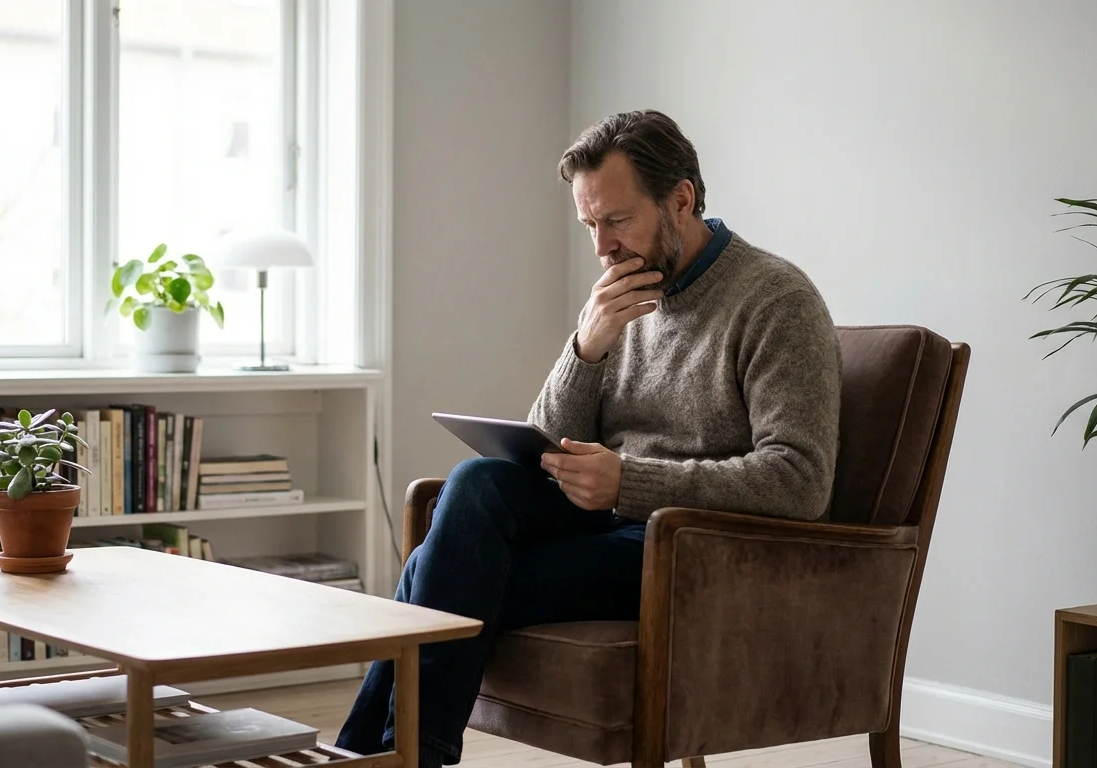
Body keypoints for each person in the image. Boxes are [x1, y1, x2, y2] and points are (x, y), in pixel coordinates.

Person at [334, 109, 842, 767]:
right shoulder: (617, 295)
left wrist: (630, 480)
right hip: (605, 523)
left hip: (691, 546)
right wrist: (588, 345)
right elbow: (545, 444)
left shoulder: (776, 299)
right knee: (477, 483)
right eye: (589, 225)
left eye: (617, 220)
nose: (602, 246)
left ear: (680, 199)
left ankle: (384, 755)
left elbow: (800, 480)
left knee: (436, 573)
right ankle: (398, 756)